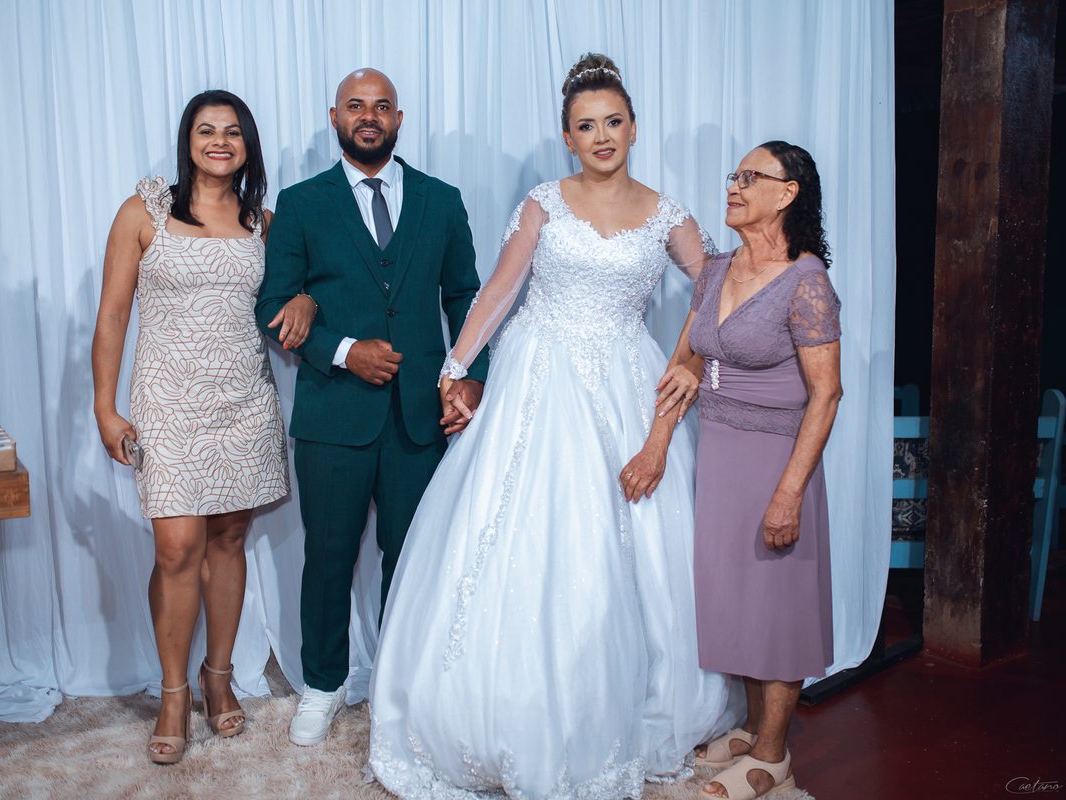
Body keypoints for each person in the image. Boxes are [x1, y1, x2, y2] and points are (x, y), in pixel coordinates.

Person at [367, 54, 743, 800]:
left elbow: (716, 288)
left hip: (625, 381)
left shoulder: (668, 214)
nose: (601, 136)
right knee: (520, 533)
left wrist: (691, 361)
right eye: (585, 125)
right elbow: (500, 289)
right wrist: (454, 366)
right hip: (537, 377)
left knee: (633, 545)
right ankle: (502, 709)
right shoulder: (545, 202)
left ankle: (625, 703)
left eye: (613, 122)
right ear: (567, 137)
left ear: (633, 127)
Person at [253, 68, 489, 747]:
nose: (369, 116)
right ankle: (323, 684)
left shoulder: (442, 200)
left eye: (381, 106)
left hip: (421, 417)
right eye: (355, 105)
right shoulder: (301, 204)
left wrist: (471, 376)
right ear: (335, 117)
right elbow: (273, 304)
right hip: (333, 413)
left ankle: (402, 683)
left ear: (399, 119)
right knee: (328, 556)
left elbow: (466, 297)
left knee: (412, 556)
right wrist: (344, 350)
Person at [92, 90, 316, 764]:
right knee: (176, 548)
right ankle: (172, 691)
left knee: (228, 539)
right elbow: (113, 315)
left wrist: (305, 297)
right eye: (206, 130)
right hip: (167, 403)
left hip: (243, 401)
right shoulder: (143, 212)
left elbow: (302, 291)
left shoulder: (264, 223)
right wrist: (105, 406)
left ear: (248, 145)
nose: (220, 141)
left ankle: (219, 679)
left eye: (232, 132)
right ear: (187, 141)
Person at [659, 141, 842, 799]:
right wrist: (659, 434)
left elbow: (827, 394)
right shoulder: (716, 269)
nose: (733, 186)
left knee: (776, 603)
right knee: (733, 595)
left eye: (750, 177)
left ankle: (773, 754)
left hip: (775, 459)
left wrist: (790, 493)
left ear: (788, 193)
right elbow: (687, 358)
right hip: (719, 452)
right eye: (733, 175)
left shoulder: (806, 281)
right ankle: (751, 727)